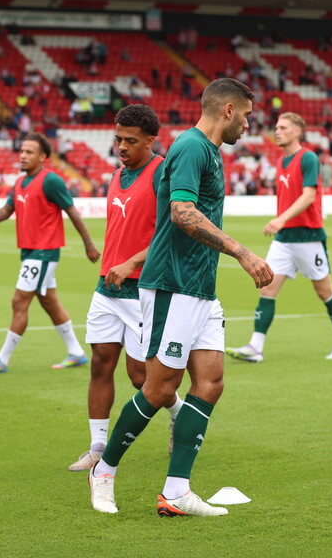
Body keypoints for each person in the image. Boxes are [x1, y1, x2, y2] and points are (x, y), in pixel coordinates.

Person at [88, 78, 273, 517]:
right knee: (158, 388)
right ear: (228, 110)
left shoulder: (208, 151)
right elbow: (182, 212)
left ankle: (175, 491)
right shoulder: (191, 147)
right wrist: (243, 252)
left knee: (210, 381)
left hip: (200, 288)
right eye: (246, 114)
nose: (248, 124)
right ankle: (105, 470)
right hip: (173, 285)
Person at [68, 104, 183, 472]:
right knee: (100, 363)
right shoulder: (117, 174)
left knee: (140, 377)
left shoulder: (162, 172)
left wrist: (132, 262)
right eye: (118, 138)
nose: (121, 146)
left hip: (142, 289)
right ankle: (97, 446)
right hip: (107, 287)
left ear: (150, 140)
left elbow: (172, 233)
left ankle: (180, 414)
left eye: (130, 141)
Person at [0, 132, 100, 373]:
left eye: (29, 152)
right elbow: (6, 211)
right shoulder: (19, 182)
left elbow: (73, 212)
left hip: (43, 253)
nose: (23, 156)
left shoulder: (51, 181)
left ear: (43, 157)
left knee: (19, 301)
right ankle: (77, 352)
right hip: (29, 252)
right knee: (50, 303)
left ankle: (2, 359)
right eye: (22, 151)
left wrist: (88, 244)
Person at [227, 112, 332, 363]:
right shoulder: (281, 161)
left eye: (283, 127)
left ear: (297, 131)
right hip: (284, 240)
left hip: (309, 237)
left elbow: (309, 195)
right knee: (268, 288)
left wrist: (280, 218)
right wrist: (282, 224)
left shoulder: (307, 158)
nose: (277, 131)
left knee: (325, 292)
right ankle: (256, 346)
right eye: (276, 127)